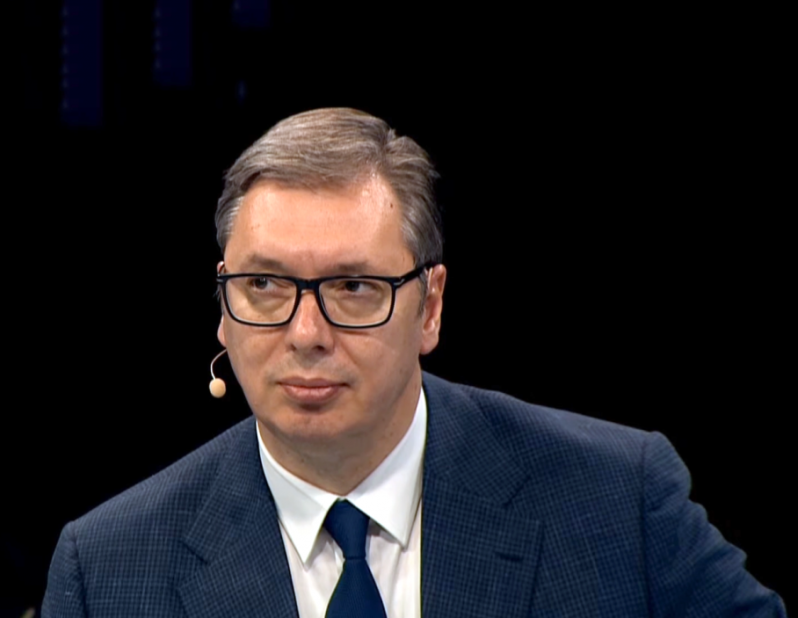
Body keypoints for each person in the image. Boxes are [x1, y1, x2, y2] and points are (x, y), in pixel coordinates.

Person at [42, 108, 785, 617]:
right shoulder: (108, 568)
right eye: (264, 285)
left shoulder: (617, 502)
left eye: (353, 287)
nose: (306, 333)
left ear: (429, 307)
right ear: (223, 304)